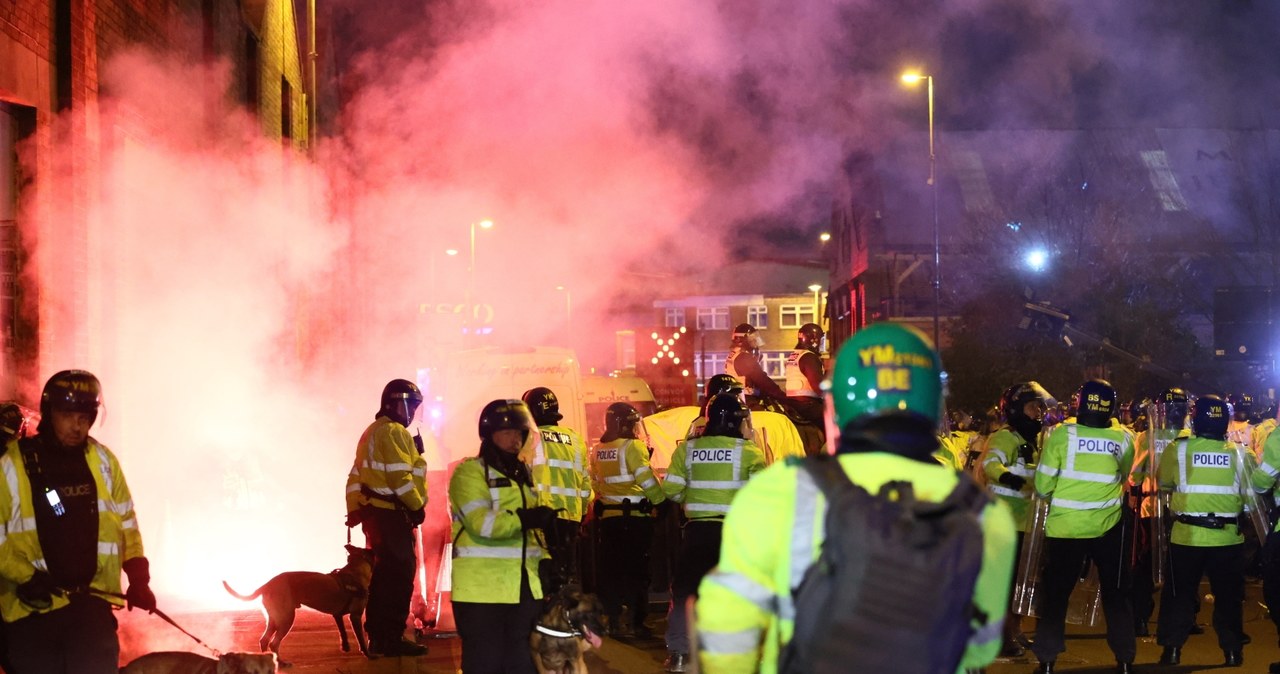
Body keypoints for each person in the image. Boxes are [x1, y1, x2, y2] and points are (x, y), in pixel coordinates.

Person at [695, 322, 1016, 673]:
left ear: (834, 410)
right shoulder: (984, 514)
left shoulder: (777, 493)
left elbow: (726, 625)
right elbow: (981, 645)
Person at [0, 370, 154, 674]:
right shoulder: (12, 465)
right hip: (32, 607)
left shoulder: (103, 461)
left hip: (90, 602)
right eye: (68, 415)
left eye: (85, 416)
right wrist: (26, 577)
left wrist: (138, 575)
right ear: (48, 413)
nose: (77, 425)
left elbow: (125, 520)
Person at [1031, 379, 1137, 674]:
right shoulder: (1124, 438)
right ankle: (1125, 658)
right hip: (1109, 526)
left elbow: (1042, 486)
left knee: (1056, 596)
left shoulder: (1062, 436)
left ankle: (1048, 659)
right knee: (1117, 594)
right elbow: (1124, 474)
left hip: (1066, 529)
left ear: (1080, 404)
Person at [661, 393, 766, 673]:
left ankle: (680, 655)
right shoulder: (750, 452)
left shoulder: (688, 449)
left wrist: (691, 496)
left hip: (696, 532)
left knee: (685, 592)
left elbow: (670, 489)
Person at [449, 399, 552, 674]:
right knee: (485, 664)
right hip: (481, 592)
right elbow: (481, 524)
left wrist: (547, 560)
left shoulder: (524, 474)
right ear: (489, 435)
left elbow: (531, 535)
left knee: (523, 665)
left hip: (522, 589)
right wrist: (524, 518)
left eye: (519, 433)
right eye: (507, 433)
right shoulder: (470, 472)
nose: (514, 440)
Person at [1154, 394, 1246, 667]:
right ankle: (1232, 652)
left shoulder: (1178, 449)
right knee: (1228, 598)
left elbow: (1164, 483)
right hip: (1227, 538)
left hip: (1187, 536)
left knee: (1178, 596)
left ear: (1195, 420)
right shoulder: (1241, 453)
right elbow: (1250, 496)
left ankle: (1171, 650)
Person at [345, 378, 428, 658]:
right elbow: (399, 478)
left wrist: (354, 508)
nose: (413, 412)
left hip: (375, 514)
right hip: (391, 515)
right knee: (399, 575)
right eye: (411, 405)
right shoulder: (393, 432)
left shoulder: (371, 431)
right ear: (396, 403)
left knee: (382, 576)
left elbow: (355, 475)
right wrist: (416, 506)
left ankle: (379, 635)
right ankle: (390, 637)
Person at [982, 380, 1053, 656]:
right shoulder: (1005, 437)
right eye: (1033, 406)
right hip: (1004, 524)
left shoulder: (1032, 441)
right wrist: (1007, 477)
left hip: (1026, 522)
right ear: (1015, 409)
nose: (1038, 412)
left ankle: (1015, 630)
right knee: (1004, 584)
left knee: (1022, 584)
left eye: (1039, 406)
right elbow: (990, 464)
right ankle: (1000, 638)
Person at [588, 402, 666, 638]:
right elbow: (647, 481)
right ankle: (635, 623)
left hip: (609, 520)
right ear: (623, 425)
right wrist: (661, 501)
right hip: (635, 520)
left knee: (611, 572)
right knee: (637, 572)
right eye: (633, 424)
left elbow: (595, 482)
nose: (636, 429)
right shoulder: (633, 447)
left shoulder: (598, 449)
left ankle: (613, 621)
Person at [1129, 388, 1189, 637]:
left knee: (1147, 566)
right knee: (1181, 565)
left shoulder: (1148, 437)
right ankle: (1183, 619)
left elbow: (1134, 475)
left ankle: (1141, 618)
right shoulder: (1190, 436)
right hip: (1179, 509)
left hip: (1153, 509)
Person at [521, 387, 592, 595]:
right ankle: (565, 618)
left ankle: (544, 620)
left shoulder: (530, 438)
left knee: (541, 574)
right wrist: (583, 511)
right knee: (566, 573)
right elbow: (585, 483)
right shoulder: (576, 440)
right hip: (570, 518)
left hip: (541, 518)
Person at [783, 323, 826, 456]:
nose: (820, 343)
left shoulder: (795, 355)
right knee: (836, 422)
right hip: (808, 405)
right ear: (813, 339)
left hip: (793, 404)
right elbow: (820, 388)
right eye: (820, 339)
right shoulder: (809, 357)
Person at [725, 323, 787, 411]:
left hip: (738, 398)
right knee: (772, 418)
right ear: (742, 339)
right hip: (747, 401)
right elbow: (762, 380)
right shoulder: (744, 357)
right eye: (752, 339)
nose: (755, 342)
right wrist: (782, 396)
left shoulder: (734, 354)